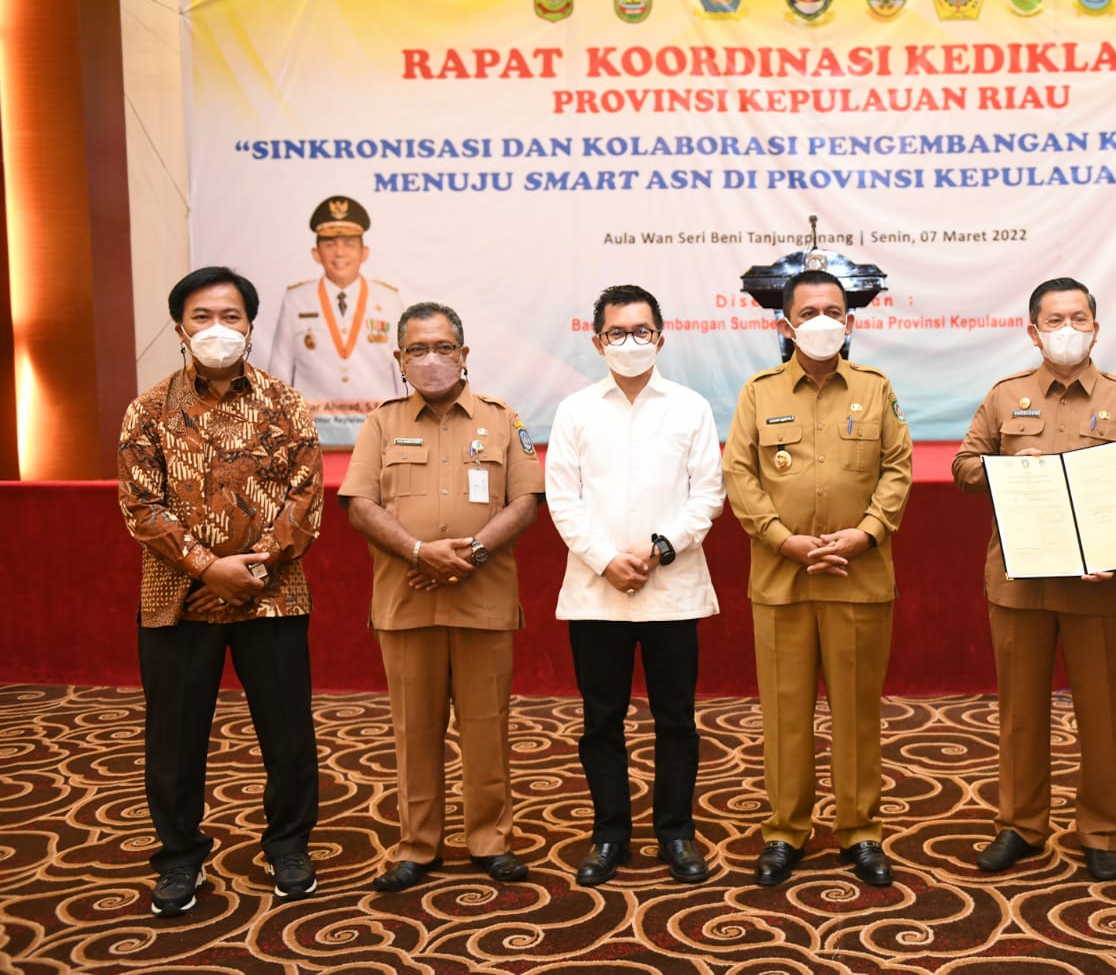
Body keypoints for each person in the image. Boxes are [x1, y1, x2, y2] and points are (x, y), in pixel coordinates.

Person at [117, 266, 323, 917]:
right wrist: (208, 569)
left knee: (288, 733)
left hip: (273, 595)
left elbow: (305, 499)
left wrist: (250, 571)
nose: (217, 328)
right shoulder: (148, 410)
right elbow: (141, 506)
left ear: (251, 327)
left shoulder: (286, 405)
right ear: (179, 328)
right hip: (177, 601)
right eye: (202, 317)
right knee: (174, 740)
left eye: (230, 316)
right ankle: (180, 856)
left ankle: (288, 844)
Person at [951, 277, 1116, 881]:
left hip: (1099, 584)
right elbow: (962, 466)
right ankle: (1020, 824)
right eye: (1055, 321)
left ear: (1096, 327)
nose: (1069, 330)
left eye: (1079, 318)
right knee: (1020, 713)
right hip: (1021, 584)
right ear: (1034, 332)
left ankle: (1103, 830)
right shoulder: (1005, 396)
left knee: (1103, 713)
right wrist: (1007, 467)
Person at [339, 301, 543, 891]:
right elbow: (360, 504)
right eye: (418, 350)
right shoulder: (381, 423)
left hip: (484, 599)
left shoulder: (502, 420)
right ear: (400, 359)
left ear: (464, 354)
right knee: (414, 730)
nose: (432, 359)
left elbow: (525, 502)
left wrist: (471, 553)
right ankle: (417, 844)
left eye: (444, 348)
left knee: (487, 727)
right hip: (407, 599)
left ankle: (490, 840)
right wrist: (418, 552)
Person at [722, 269, 913, 888]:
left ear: (850, 322)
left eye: (833, 311)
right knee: (785, 713)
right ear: (786, 326)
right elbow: (740, 475)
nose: (822, 321)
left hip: (858, 576)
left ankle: (860, 831)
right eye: (808, 313)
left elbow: (897, 468)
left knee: (856, 713)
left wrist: (866, 533)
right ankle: (785, 831)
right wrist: (785, 541)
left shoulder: (876, 389)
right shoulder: (759, 393)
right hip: (784, 579)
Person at [544, 285, 725, 887]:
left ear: (660, 338)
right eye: (617, 332)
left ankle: (676, 831)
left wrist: (659, 548)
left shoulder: (690, 408)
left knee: (676, 719)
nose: (630, 342)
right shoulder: (574, 411)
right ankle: (610, 833)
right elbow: (562, 499)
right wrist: (604, 559)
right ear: (598, 341)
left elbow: (708, 495)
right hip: (597, 591)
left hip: (671, 585)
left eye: (641, 331)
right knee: (602, 720)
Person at [267, 195, 405, 442]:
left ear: (364, 252)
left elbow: (402, 371)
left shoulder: (389, 300)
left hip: (379, 431)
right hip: (313, 433)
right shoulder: (296, 300)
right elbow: (279, 372)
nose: (340, 253)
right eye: (330, 244)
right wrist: (282, 432)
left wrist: (405, 429)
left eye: (349, 244)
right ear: (316, 253)